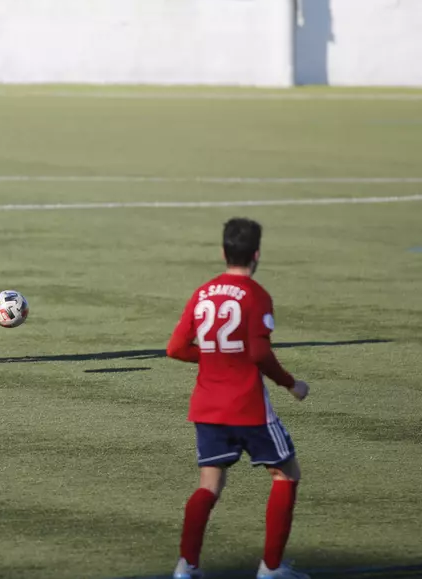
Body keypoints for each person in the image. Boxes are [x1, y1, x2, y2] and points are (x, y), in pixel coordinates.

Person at [165, 217, 312, 579]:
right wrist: (291, 384)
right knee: (286, 474)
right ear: (257, 254)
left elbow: (175, 348)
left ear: (223, 252)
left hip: (207, 406)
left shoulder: (203, 292)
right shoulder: (256, 295)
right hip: (248, 407)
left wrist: (212, 355)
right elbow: (259, 353)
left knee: (209, 485)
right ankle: (271, 568)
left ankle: (187, 565)